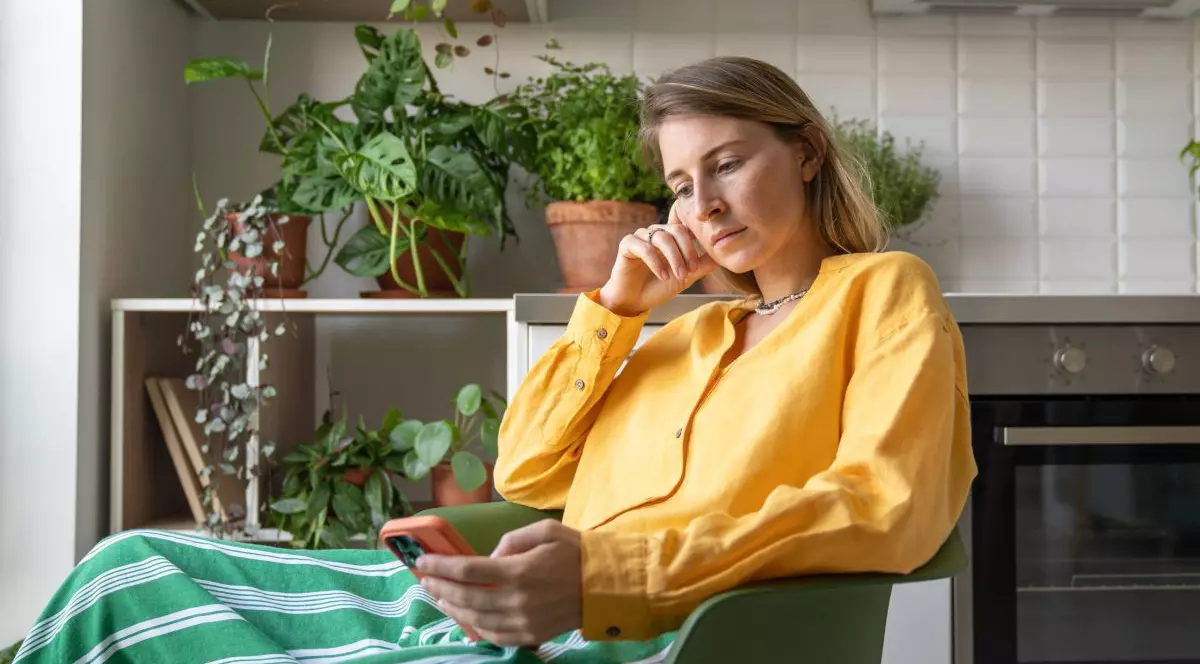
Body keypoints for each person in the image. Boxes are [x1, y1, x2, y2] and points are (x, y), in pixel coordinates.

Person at [12, 56, 975, 664]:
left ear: (805, 152)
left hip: (647, 638)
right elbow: (526, 469)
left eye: (726, 163)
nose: (703, 204)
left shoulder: (881, 291)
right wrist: (614, 308)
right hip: (490, 609)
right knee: (128, 567)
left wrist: (604, 577)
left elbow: (882, 508)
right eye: (681, 184)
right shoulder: (677, 335)